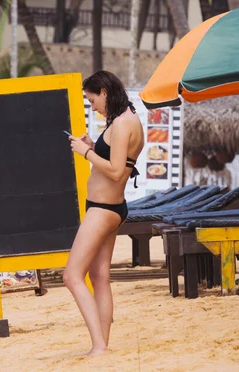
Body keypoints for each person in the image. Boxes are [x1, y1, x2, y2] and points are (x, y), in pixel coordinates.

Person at [64, 70, 144, 356]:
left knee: (72, 276)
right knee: (99, 277)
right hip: (109, 207)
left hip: (103, 209)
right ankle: (102, 344)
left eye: (92, 99)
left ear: (105, 92)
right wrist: (91, 146)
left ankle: (99, 345)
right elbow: (113, 161)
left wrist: (84, 153)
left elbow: (113, 170)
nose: (92, 106)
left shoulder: (123, 124)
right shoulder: (126, 119)